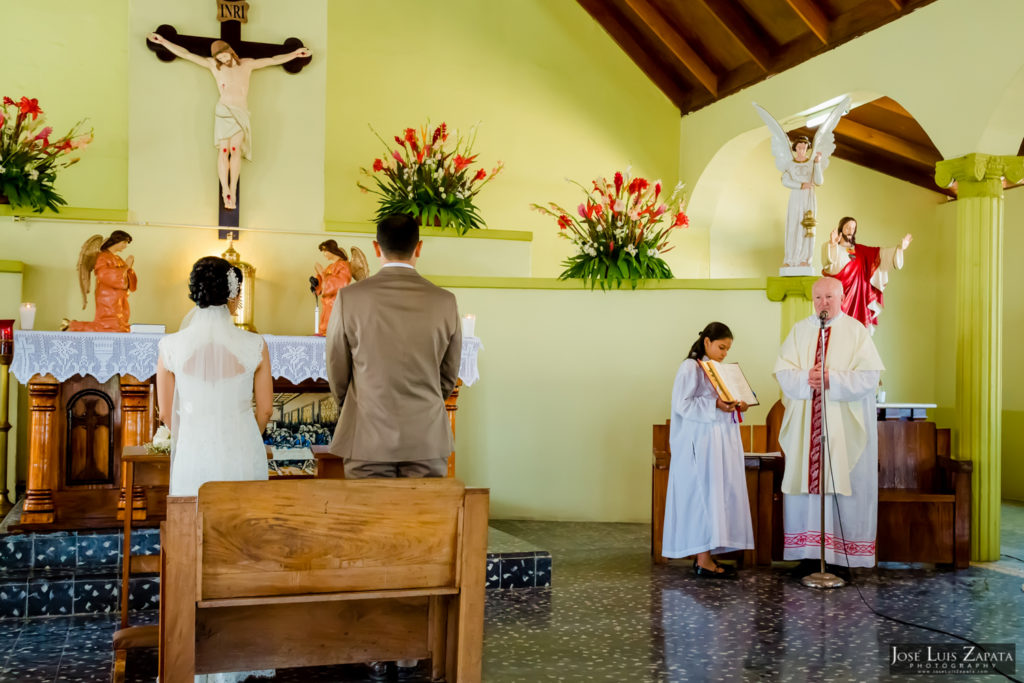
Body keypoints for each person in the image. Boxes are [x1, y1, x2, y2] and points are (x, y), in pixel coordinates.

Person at [325, 213, 461, 681]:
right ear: (419, 247)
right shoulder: (444, 302)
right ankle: (414, 646)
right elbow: (448, 376)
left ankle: (376, 646)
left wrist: (356, 408)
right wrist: (423, 408)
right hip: (426, 439)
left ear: (376, 248)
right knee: (422, 546)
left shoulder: (350, 297)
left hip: (369, 441)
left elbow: (337, 371)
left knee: (370, 544)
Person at [155, 257, 274, 682]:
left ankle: (195, 653)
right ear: (233, 293)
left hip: (194, 457)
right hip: (243, 453)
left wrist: (199, 433)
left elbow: (167, 415)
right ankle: (240, 652)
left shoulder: (170, 346)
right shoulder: (254, 345)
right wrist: (241, 433)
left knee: (195, 552)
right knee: (244, 551)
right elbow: (264, 410)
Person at [773, 277, 884, 575]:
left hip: (841, 428)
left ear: (842, 298)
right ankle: (810, 557)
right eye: (819, 297)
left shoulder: (856, 331)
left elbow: (869, 376)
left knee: (841, 487)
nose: (823, 303)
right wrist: (804, 378)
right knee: (806, 490)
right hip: (807, 421)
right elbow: (783, 371)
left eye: (830, 297)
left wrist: (831, 379)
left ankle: (840, 559)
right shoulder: (800, 331)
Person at [146, 33, 311, 210]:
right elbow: (186, 54)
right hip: (224, 110)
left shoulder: (247, 65)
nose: (223, 59)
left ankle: (233, 187)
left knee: (235, 149)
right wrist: (163, 41)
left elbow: (271, 60)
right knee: (224, 150)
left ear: (231, 52)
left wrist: (294, 54)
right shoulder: (214, 66)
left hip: (240, 111)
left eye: (224, 55)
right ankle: (226, 190)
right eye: (219, 58)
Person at [662, 322, 754, 578]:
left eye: (728, 349)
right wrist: (715, 404)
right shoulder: (690, 367)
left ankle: (708, 556)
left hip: (720, 440)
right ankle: (703, 560)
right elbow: (682, 404)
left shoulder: (720, 370)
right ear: (707, 342)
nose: (725, 353)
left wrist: (739, 403)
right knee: (703, 496)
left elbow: (724, 399)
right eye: (721, 347)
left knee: (718, 494)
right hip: (700, 442)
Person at [822, 216, 913, 332]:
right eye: (847, 227)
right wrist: (832, 244)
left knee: (857, 333)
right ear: (841, 229)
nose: (850, 230)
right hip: (840, 298)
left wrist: (900, 248)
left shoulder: (861, 251)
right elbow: (829, 265)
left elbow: (880, 254)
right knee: (838, 332)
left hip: (859, 298)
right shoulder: (833, 248)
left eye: (853, 228)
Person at [66, 230, 137, 332]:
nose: (125, 246)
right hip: (108, 296)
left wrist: (129, 268)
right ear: (117, 241)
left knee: (120, 323)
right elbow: (103, 275)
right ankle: (72, 325)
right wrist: (126, 266)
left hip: (120, 297)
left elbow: (127, 277)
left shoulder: (118, 258)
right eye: (124, 243)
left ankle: (72, 325)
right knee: (107, 325)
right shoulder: (103, 256)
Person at [312, 240, 353, 336]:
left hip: (336, 303)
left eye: (325, 251)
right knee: (325, 326)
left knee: (333, 327)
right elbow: (322, 283)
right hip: (327, 304)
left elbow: (342, 283)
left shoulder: (343, 265)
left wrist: (322, 273)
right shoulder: (330, 266)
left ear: (332, 250)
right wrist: (316, 283)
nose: (324, 254)